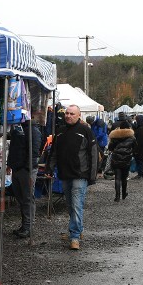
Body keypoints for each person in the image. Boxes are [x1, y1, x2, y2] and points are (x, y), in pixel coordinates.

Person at [49, 105, 97, 250]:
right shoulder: (60, 132)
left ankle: (74, 236)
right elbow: (54, 152)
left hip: (79, 175)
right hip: (64, 174)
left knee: (77, 205)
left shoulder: (85, 131)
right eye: (67, 113)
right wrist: (49, 168)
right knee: (70, 206)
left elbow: (93, 154)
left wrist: (92, 176)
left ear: (79, 115)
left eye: (72, 114)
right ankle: (77, 228)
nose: (68, 116)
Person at [7, 117, 42, 239]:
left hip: (25, 169)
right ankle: (25, 225)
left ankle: (28, 226)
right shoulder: (19, 128)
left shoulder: (33, 130)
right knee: (22, 198)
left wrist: (28, 168)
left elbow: (34, 152)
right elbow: (13, 148)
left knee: (27, 198)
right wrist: (10, 164)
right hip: (19, 168)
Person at [107, 120, 137, 201]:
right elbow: (135, 148)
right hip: (127, 159)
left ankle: (117, 196)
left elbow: (110, 148)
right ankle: (124, 194)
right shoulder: (132, 137)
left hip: (116, 159)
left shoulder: (115, 136)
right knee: (124, 177)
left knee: (117, 177)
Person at [131, 115, 143, 180]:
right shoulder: (142, 127)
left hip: (140, 148)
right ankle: (140, 174)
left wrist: (136, 149)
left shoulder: (141, 129)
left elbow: (139, 140)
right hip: (142, 147)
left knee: (140, 161)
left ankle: (140, 175)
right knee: (140, 161)